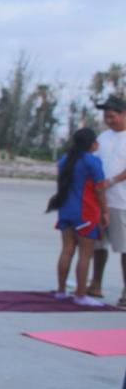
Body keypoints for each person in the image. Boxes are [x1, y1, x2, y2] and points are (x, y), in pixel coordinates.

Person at [46, 128, 107, 306]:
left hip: (65, 210)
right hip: (85, 212)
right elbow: (100, 189)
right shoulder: (93, 161)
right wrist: (104, 211)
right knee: (85, 254)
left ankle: (61, 291)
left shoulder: (65, 160)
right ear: (92, 144)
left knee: (66, 250)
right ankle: (81, 295)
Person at [90, 96, 126, 306]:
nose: (109, 120)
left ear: (123, 114)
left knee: (124, 248)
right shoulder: (103, 137)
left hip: (122, 202)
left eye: (112, 116)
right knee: (98, 245)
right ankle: (95, 284)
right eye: (106, 117)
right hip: (101, 201)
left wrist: (111, 181)